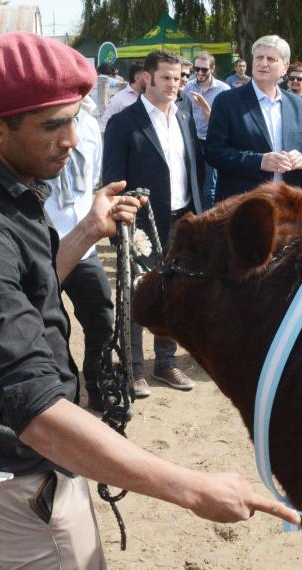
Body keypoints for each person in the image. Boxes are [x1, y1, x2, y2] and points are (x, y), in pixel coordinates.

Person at [0, 33, 296, 569]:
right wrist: (191, 488)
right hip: (22, 470)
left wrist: (87, 232)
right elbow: (36, 411)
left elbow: (33, 284)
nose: (73, 139)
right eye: (53, 125)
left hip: (46, 462)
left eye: (74, 118)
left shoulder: (7, 187)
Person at [103, 50, 204, 393]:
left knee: (173, 296)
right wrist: (122, 229)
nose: (174, 84)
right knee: (137, 296)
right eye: (166, 78)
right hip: (141, 226)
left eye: (178, 78)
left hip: (182, 222)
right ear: (148, 77)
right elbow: (112, 180)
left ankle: (166, 363)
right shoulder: (124, 122)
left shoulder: (185, 117)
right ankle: (132, 369)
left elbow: (193, 170)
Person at [45, 98, 114, 411]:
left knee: (101, 319)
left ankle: (99, 388)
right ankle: (61, 399)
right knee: (50, 326)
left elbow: (93, 176)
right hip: (42, 248)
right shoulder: (38, 123)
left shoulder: (88, 123)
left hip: (84, 246)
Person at [205, 34, 302, 202]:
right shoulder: (227, 101)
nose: (263, 63)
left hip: (288, 206)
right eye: (259, 57)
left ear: (285, 67)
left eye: (271, 59)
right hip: (243, 206)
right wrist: (259, 161)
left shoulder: (299, 106)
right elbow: (213, 152)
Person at [186, 51, 229, 209]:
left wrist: (205, 107)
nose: (199, 73)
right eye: (196, 69)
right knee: (192, 182)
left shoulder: (223, 90)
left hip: (212, 141)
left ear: (212, 69)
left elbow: (220, 124)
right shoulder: (188, 87)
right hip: (192, 141)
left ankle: (208, 220)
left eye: (204, 69)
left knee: (209, 187)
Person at [99, 62, 145, 133]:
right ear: (137, 78)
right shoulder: (119, 100)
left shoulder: (152, 98)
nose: (150, 80)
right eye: (147, 77)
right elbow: (104, 127)